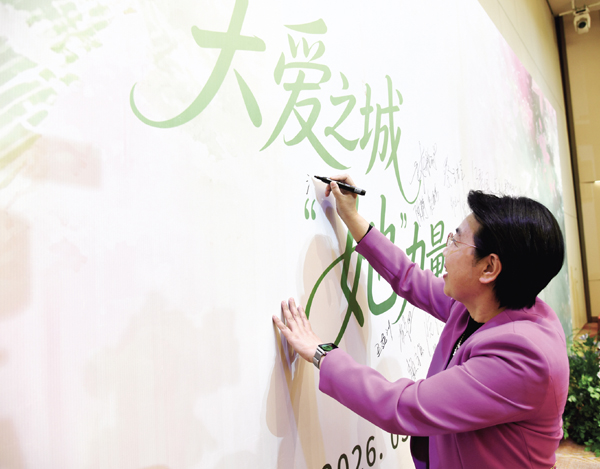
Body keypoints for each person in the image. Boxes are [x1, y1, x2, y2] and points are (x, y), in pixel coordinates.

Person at [272, 175, 569, 469]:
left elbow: (403, 407)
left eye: (455, 240)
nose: (445, 249)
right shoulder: (484, 304)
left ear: (489, 267)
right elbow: (408, 277)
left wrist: (321, 353)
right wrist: (351, 217)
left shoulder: (523, 357)